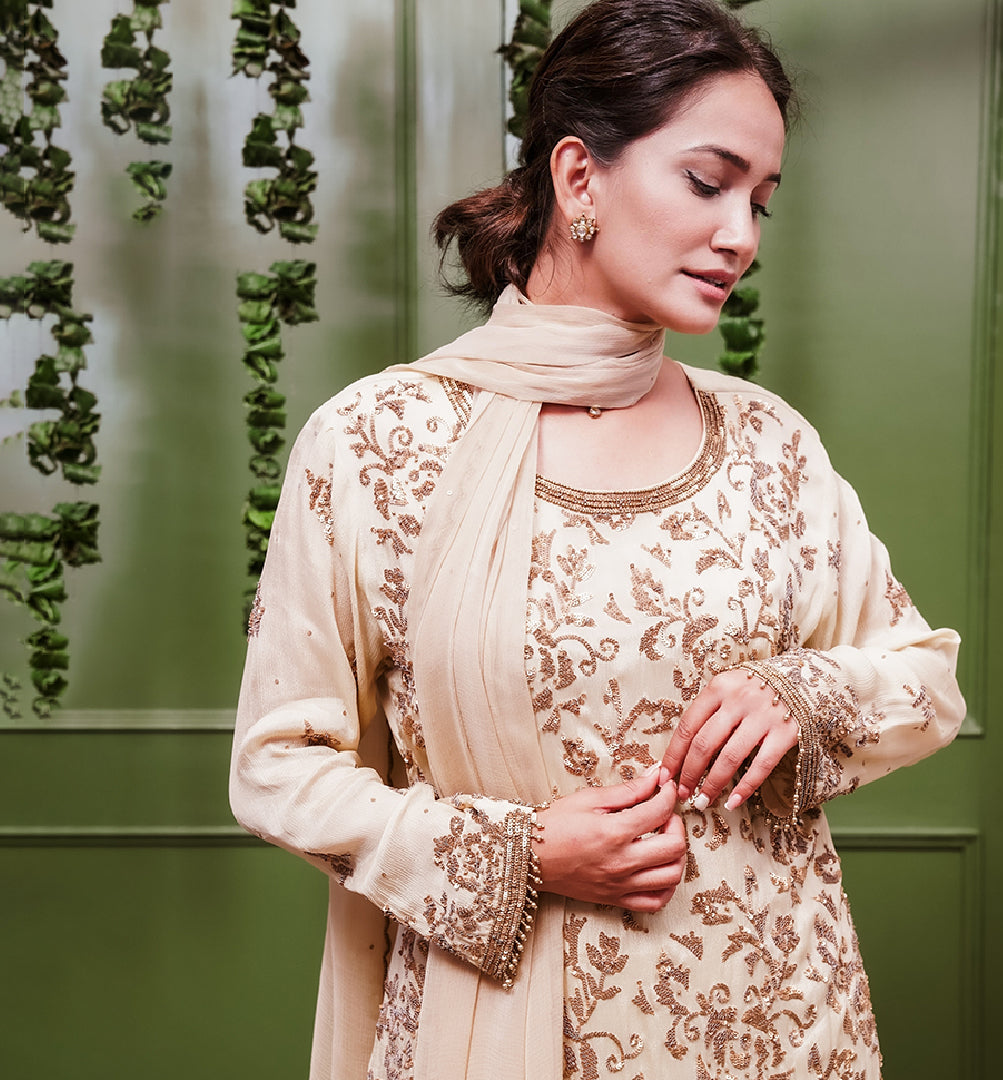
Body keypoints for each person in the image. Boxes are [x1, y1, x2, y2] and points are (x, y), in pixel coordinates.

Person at [230, 1, 965, 1077]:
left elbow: (926, 682)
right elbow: (278, 767)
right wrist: (522, 855)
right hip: (500, 1027)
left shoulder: (767, 445)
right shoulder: (379, 445)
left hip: (781, 1025)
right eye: (708, 184)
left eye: (761, 202)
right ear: (579, 180)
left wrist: (802, 693)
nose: (741, 236)